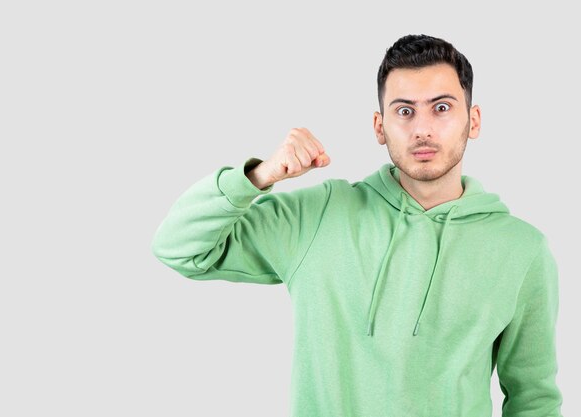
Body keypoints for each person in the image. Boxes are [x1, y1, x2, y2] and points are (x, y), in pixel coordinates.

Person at [151, 34, 564, 416]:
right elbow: (179, 247)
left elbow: (533, 399)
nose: (422, 129)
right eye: (404, 111)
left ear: (473, 121)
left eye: (441, 108)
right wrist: (259, 177)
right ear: (379, 127)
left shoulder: (522, 250)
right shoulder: (318, 215)